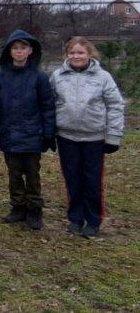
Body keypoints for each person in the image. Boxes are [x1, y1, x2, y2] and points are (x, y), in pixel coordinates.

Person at [50, 37, 124, 238]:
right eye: (72, 53)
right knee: (72, 179)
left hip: (94, 138)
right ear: (67, 55)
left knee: (92, 180)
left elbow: (115, 106)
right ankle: (75, 217)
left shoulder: (103, 77)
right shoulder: (58, 76)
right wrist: (49, 132)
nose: (76, 56)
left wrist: (113, 136)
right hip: (66, 137)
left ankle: (93, 220)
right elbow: (50, 104)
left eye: (80, 52)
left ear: (89, 54)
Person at [0, 29, 56, 231]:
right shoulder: (0, 77)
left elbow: (47, 106)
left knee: (32, 174)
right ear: (9, 51)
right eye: (15, 48)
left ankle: (35, 210)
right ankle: (18, 208)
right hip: (9, 135)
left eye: (23, 48)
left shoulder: (39, 78)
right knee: (14, 174)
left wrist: (48, 133)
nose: (19, 52)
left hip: (32, 135)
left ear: (30, 51)